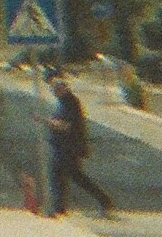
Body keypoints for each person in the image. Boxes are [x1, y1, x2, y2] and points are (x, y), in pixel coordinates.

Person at [43, 70, 113, 218]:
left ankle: (59, 208)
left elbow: (66, 125)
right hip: (64, 146)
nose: (53, 93)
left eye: (55, 90)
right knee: (73, 176)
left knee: (58, 175)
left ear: (62, 89)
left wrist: (46, 121)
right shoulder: (64, 102)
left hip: (67, 147)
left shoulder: (70, 102)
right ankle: (102, 200)